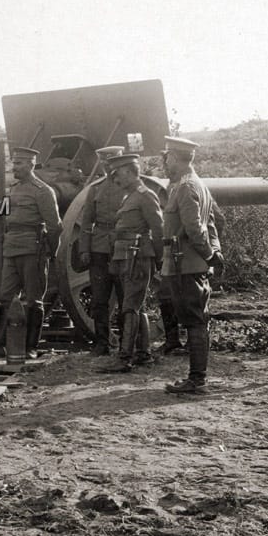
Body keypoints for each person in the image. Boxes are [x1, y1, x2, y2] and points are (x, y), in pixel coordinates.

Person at [160, 137, 223, 394]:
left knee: (195, 321)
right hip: (185, 263)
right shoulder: (197, 185)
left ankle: (197, 380)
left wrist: (209, 255)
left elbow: (195, 228)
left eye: (167, 158)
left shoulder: (186, 187)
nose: (165, 163)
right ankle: (197, 378)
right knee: (196, 320)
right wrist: (214, 254)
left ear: (175, 158)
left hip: (184, 264)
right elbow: (212, 224)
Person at [97, 154, 164, 372]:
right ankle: (143, 354)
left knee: (129, 307)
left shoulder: (145, 195)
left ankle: (124, 358)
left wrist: (158, 258)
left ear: (128, 171)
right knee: (136, 306)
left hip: (137, 256)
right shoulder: (130, 196)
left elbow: (158, 229)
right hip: (127, 256)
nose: (115, 179)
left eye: (117, 174)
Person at [0, 146, 62, 359]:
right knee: (6, 296)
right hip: (11, 248)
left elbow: (55, 226)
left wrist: (50, 251)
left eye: (19, 163)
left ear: (31, 164)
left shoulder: (42, 191)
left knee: (34, 300)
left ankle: (30, 347)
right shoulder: (13, 189)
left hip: (32, 249)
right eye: (13, 162)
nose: (14, 167)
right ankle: (3, 343)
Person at [78, 145, 126, 355]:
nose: (109, 167)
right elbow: (86, 221)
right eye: (105, 162)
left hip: (123, 247)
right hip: (99, 248)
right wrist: (84, 249)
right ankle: (101, 342)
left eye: (113, 162)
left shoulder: (130, 187)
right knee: (99, 299)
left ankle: (127, 341)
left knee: (126, 298)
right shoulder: (95, 189)